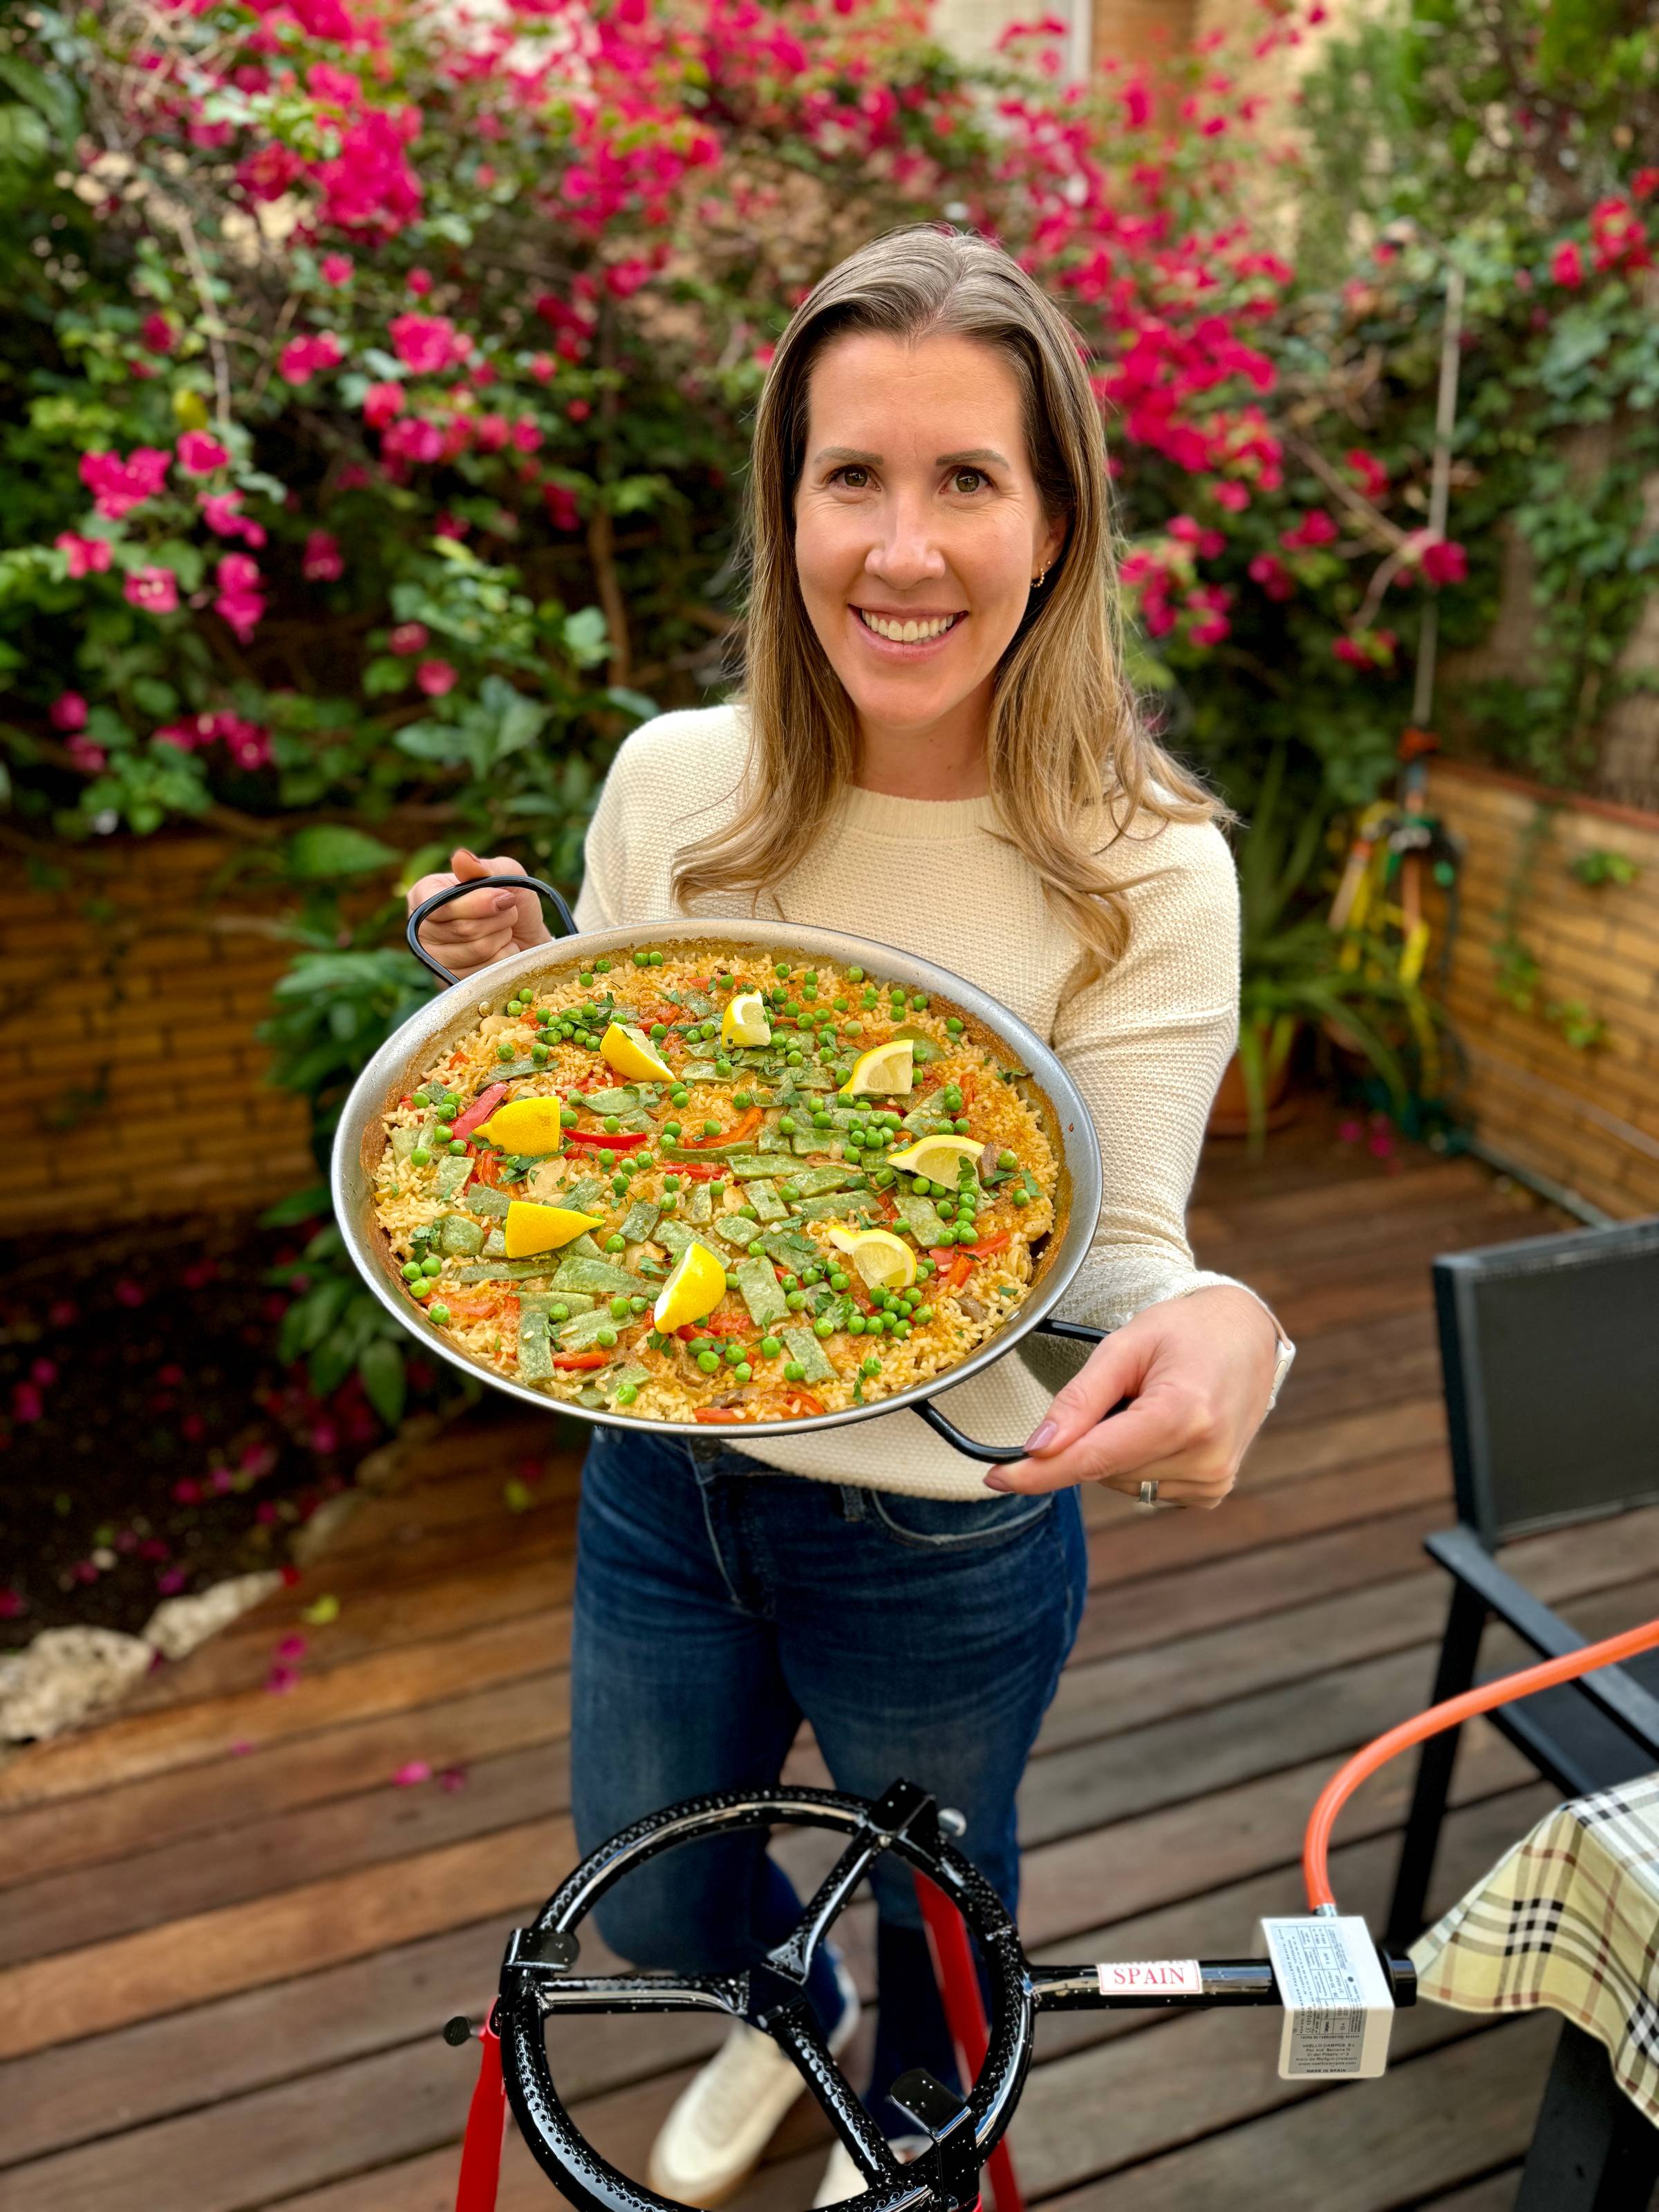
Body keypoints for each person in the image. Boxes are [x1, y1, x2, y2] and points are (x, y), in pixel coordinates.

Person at [408, 223, 1295, 2209]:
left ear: (1055, 520)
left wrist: (1232, 1320)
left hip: (950, 1519)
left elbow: (1121, 1250)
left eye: (966, 479)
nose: (903, 551)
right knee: (648, 1903)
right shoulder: (675, 785)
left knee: (944, 1885)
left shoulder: (1148, 870)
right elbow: (641, 1140)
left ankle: (891, 2094)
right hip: (667, 1471)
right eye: (852, 478)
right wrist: (519, 986)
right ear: (786, 504)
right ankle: (765, 1997)